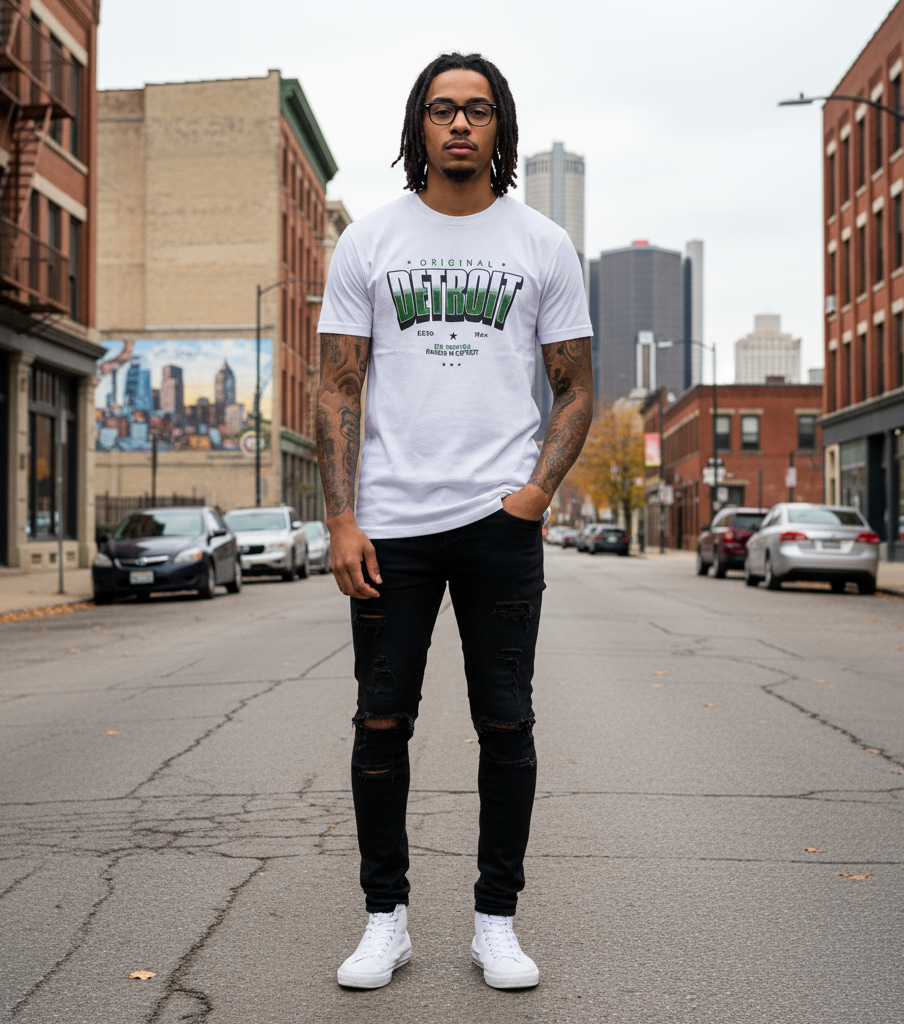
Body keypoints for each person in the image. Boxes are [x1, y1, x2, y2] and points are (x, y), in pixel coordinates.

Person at [316, 51, 593, 991]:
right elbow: (339, 384)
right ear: (419, 127)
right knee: (381, 721)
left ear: (499, 125)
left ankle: (495, 922)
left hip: (497, 524)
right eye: (443, 109)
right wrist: (342, 517)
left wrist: (535, 496)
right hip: (390, 523)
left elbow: (575, 387)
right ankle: (384, 920)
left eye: (478, 109)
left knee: (506, 723)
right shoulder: (371, 241)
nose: (461, 124)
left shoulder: (543, 244)